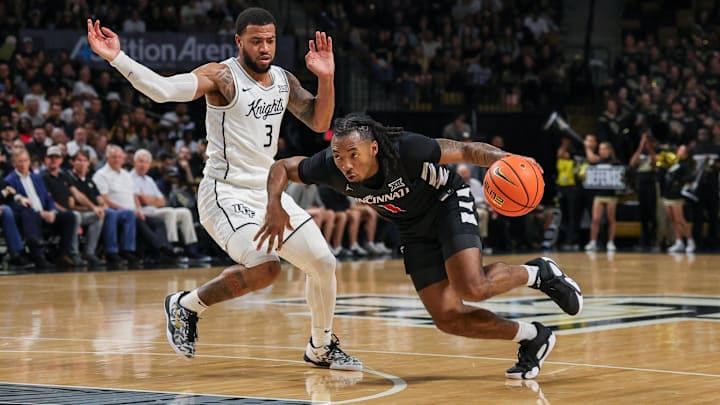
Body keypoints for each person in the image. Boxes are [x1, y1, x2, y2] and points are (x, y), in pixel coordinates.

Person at [87, 7, 362, 370]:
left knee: (324, 263)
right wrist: (117, 57)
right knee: (266, 268)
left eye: (270, 41)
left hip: (268, 192)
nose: (265, 48)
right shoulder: (221, 77)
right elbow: (164, 91)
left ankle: (321, 347)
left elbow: (320, 121)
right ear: (239, 41)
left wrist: (326, 79)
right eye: (256, 41)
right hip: (225, 193)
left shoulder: (283, 79)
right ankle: (187, 305)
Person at [257, 113, 583, 380]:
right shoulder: (329, 167)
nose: (346, 164)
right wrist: (274, 203)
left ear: (373, 148)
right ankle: (532, 336)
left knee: (471, 287)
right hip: (412, 229)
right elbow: (282, 167)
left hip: (446, 202)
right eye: (339, 156)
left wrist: (508, 158)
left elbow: (465, 151)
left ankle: (537, 272)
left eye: (353, 154)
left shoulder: (405, 149)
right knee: (447, 317)